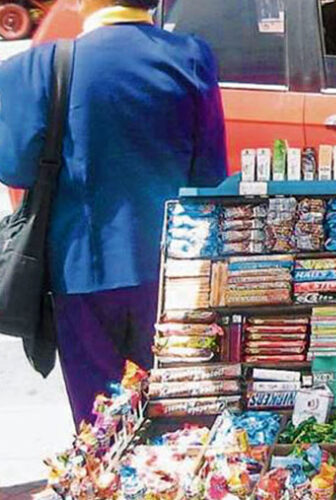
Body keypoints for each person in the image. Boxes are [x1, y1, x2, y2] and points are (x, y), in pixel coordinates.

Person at [0, 0, 227, 425]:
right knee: (172, 420)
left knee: (100, 426)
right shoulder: (192, 57)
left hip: (81, 271)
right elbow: (211, 175)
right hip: (171, 271)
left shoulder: (42, 65)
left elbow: (14, 166)